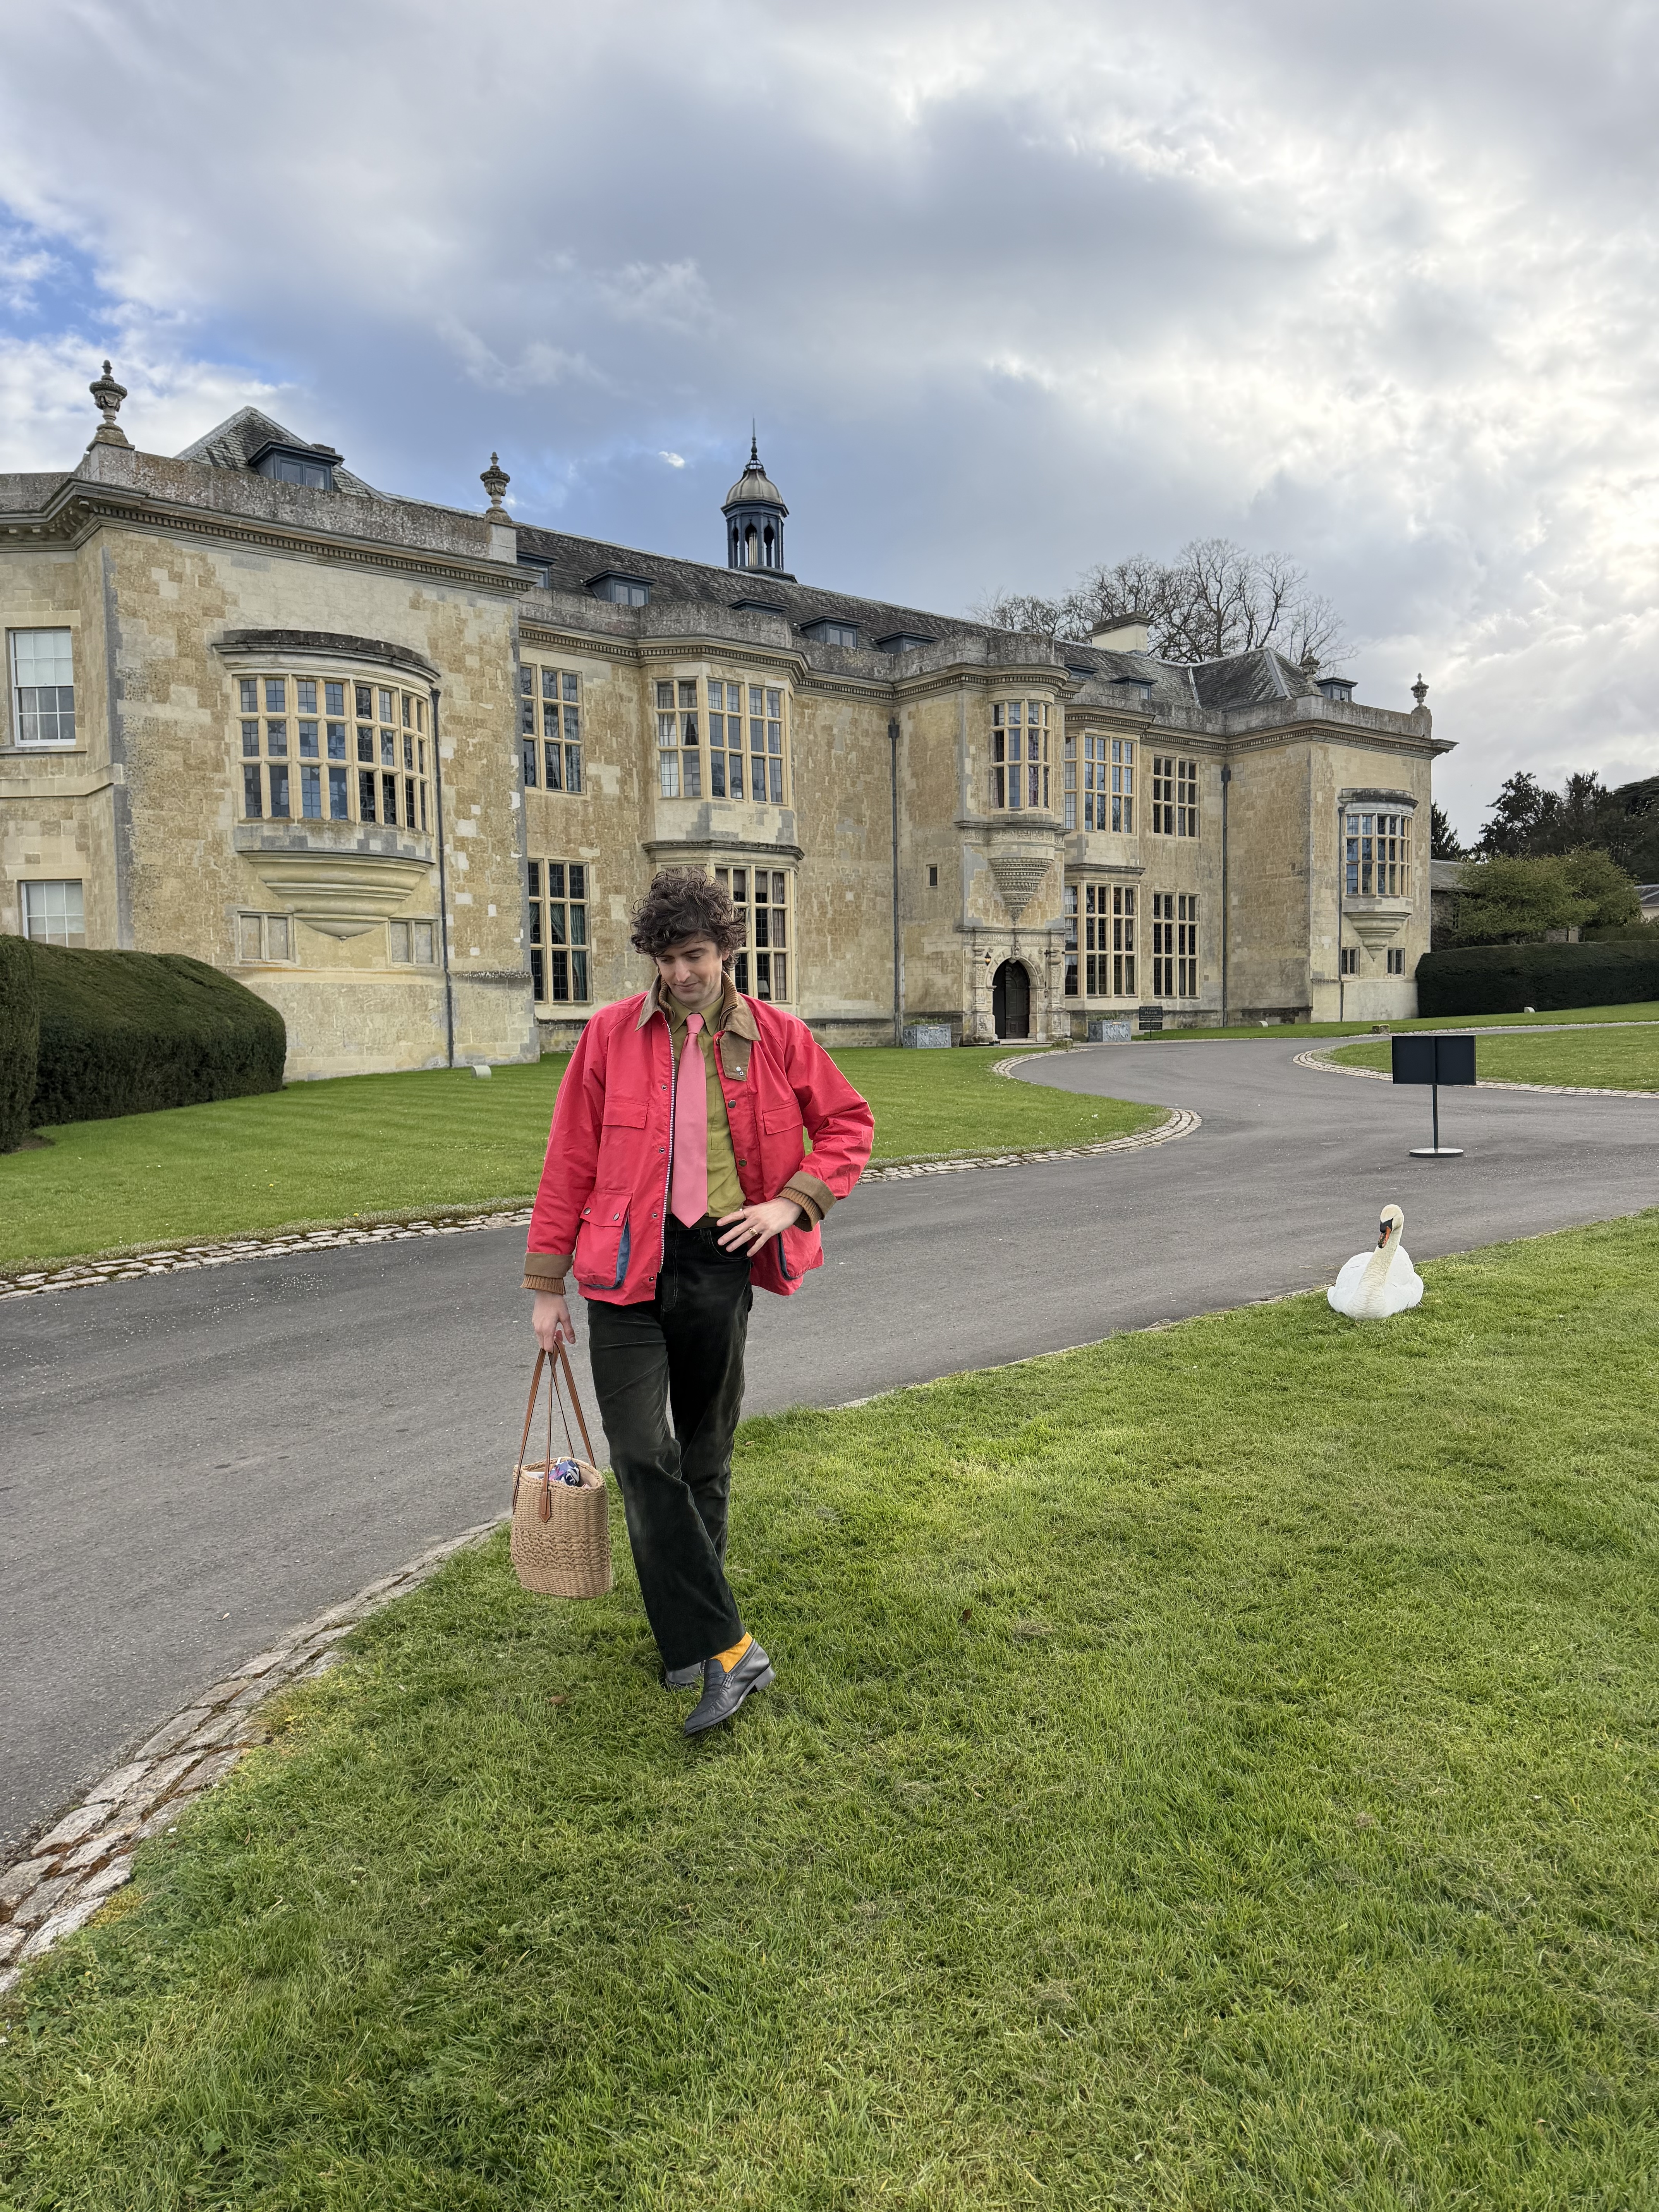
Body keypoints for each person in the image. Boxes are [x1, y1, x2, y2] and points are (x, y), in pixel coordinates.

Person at [524, 870, 874, 1735]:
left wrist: (789, 1203)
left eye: (697, 956)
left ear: (726, 952)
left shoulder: (780, 1036)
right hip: (622, 1264)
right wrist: (544, 1283)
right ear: (651, 959)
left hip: (719, 1259)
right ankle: (730, 1651)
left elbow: (848, 1126)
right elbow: (570, 1153)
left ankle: (689, 1647)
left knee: (708, 1456)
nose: (683, 974)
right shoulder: (608, 1036)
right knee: (645, 1454)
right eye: (668, 958)